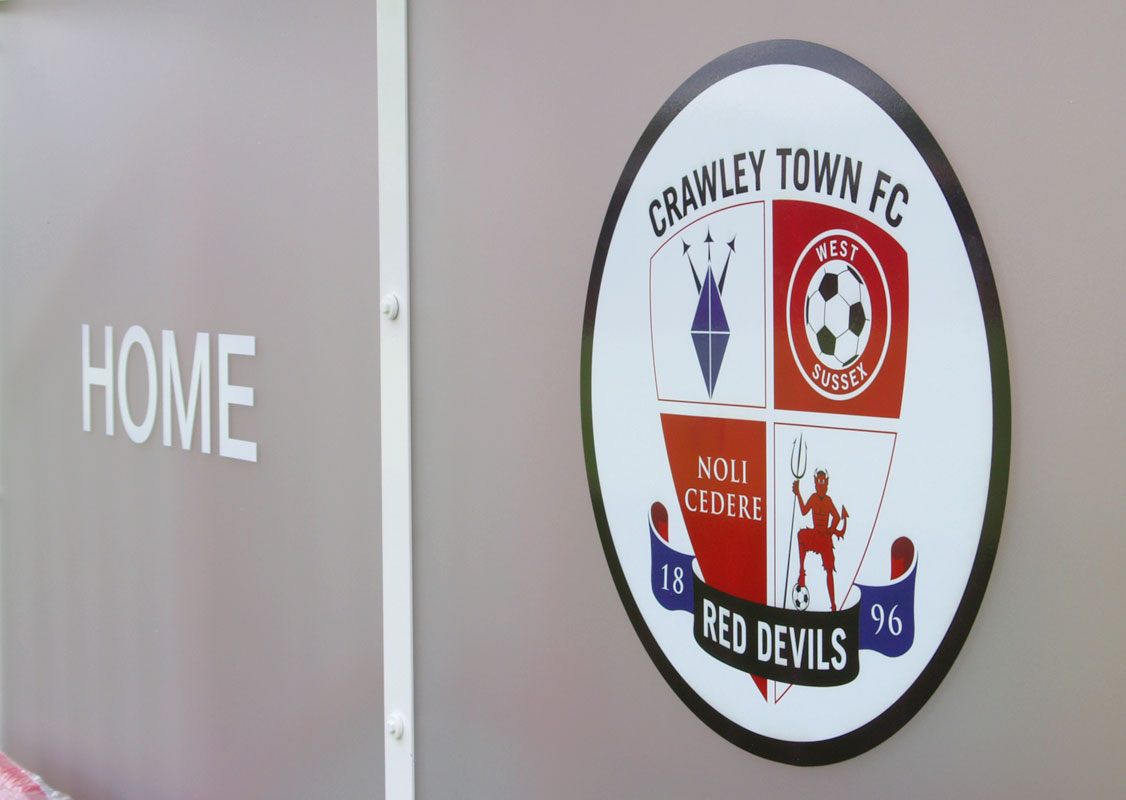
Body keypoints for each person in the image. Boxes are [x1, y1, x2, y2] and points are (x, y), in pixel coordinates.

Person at [793, 469, 848, 611]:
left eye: (823, 482)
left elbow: (836, 517)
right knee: (801, 536)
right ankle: (801, 572)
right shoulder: (813, 498)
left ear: (827, 483)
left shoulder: (828, 501)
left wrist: (831, 530)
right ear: (816, 483)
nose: (821, 484)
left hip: (825, 538)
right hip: (816, 535)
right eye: (819, 481)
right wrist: (798, 493)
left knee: (829, 571)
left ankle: (833, 604)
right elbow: (804, 511)